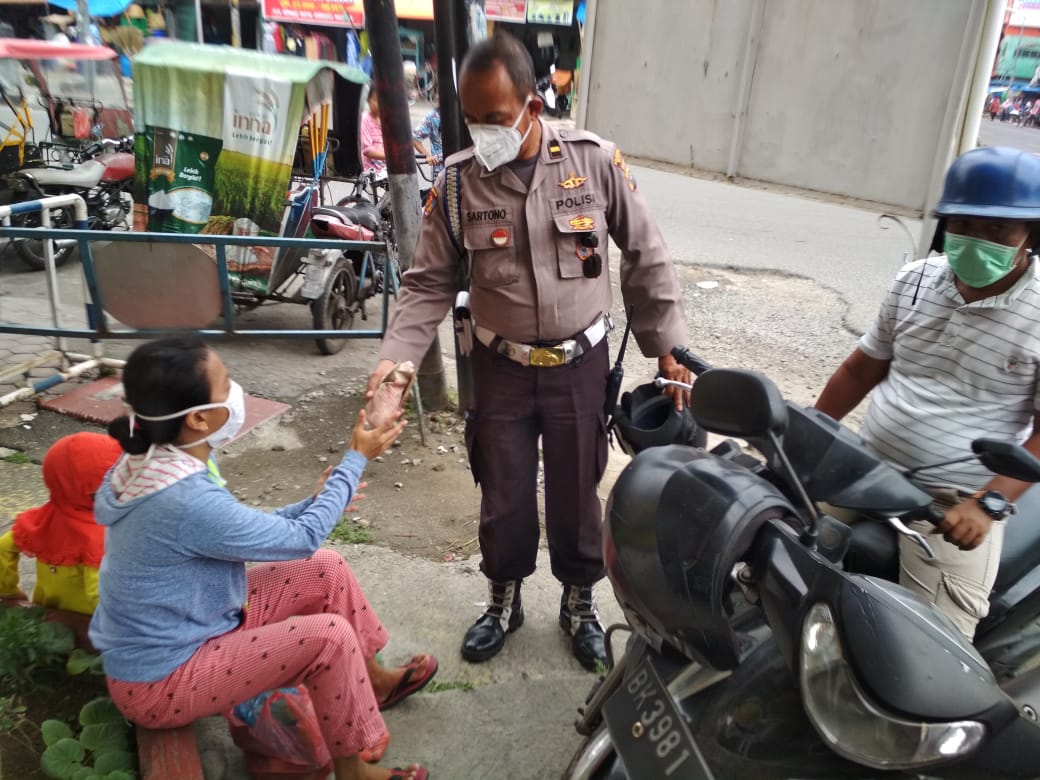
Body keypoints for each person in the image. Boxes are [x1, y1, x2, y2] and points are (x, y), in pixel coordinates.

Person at [365, 34, 690, 671]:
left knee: (577, 495)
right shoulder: (458, 183)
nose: (484, 131)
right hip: (500, 368)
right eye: (471, 117)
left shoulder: (595, 164)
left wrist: (669, 348)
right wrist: (393, 365)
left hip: (579, 368)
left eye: (495, 118)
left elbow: (646, 253)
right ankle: (503, 598)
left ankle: (578, 603)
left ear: (532, 107)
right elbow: (429, 280)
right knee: (504, 494)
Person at [88, 336, 432, 780]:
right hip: (163, 680)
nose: (236, 392)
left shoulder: (155, 463)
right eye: (226, 383)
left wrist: (317, 499)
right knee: (327, 637)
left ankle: (375, 684)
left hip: (198, 623)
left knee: (325, 570)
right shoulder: (181, 496)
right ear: (196, 419)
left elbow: (235, 529)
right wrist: (355, 460)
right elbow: (300, 537)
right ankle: (354, 773)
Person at [815, 146, 1040, 639]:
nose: (976, 239)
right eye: (964, 223)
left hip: (957, 497)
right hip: (866, 462)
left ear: (1031, 233)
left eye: (997, 229)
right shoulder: (915, 280)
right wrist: (804, 437)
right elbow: (859, 371)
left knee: (930, 652)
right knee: (766, 540)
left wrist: (988, 505)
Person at [0, 432, 122, 617]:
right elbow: (99, 596)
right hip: (87, 628)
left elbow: (3, 547)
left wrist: (8, 592)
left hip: (46, 616)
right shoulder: (100, 534)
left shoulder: (42, 518)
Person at [360, 90, 387, 174]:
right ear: (368, 100)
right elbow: (367, 150)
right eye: (376, 100)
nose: (379, 104)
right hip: (371, 172)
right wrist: (391, 158)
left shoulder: (388, 119)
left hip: (388, 170)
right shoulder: (364, 120)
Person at [412, 105, 443, 176]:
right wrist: (427, 156)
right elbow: (415, 138)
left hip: (466, 169)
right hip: (441, 171)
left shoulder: (467, 113)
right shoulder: (433, 116)